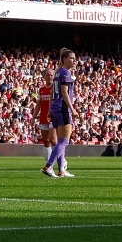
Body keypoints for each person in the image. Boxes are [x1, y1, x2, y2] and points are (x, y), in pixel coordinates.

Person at [43, 48, 76, 179]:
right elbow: (64, 92)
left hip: (55, 108)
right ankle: (49, 166)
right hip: (63, 108)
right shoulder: (65, 73)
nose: (74, 60)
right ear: (64, 59)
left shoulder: (57, 73)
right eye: (71, 58)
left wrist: (51, 109)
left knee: (60, 142)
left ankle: (61, 169)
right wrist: (72, 109)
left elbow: (52, 93)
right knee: (64, 141)